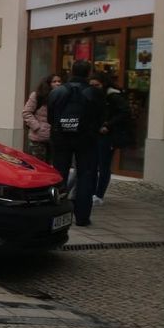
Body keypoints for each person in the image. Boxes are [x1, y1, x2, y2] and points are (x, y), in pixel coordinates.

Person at [48, 60, 105, 226]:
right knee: (86, 175)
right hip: (86, 138)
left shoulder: (58, 92)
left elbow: (51, 117)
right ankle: (82, 217)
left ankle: (56, 212)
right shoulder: (94, 92)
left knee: (59, 175)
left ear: (71, 71)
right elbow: (101, 116)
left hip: (61, 138)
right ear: (88, 73)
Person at [90, 71, 132, 205]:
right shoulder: (97, 95)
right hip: (97, 133)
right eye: (91, 85)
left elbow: (125, 112)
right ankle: (92, 192)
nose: (94, 88)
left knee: (104, 165)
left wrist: (108, 124)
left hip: (108, 135)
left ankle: (99, 194)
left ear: (103, 84)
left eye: (96, 85)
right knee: (93, 164)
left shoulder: (113, 95)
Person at [21, 73, 61, 163]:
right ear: (48, 83)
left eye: (59, 81)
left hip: (55, 137)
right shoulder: (37, 95)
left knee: (53, 165)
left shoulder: (62, 96)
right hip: (38, 138)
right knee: (38, 164)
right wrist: (37, 127)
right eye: (54, 81)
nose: (58, 83)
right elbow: (26, 112)